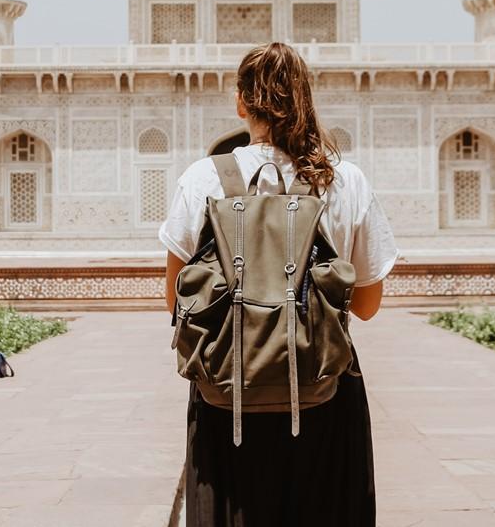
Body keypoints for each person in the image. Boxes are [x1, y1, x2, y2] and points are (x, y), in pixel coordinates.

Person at [159, 43, 398, 526]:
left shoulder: (203, 178)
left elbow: (175, 298)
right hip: (323, 388)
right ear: (306, 98)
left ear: (241, 103)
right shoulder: (343, 180)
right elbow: (368, 305)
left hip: (228, 393)